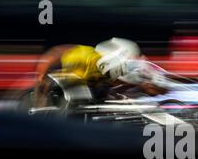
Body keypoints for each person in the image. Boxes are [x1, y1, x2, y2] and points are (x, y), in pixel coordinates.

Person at [34, 37, 170, 107]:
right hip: (69, 86)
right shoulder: (85, 55)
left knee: (104, 93)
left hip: (89, 87)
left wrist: (143, 88)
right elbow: (55, 52)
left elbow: (119, 86)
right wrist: (41, 76)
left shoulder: (118, 72)